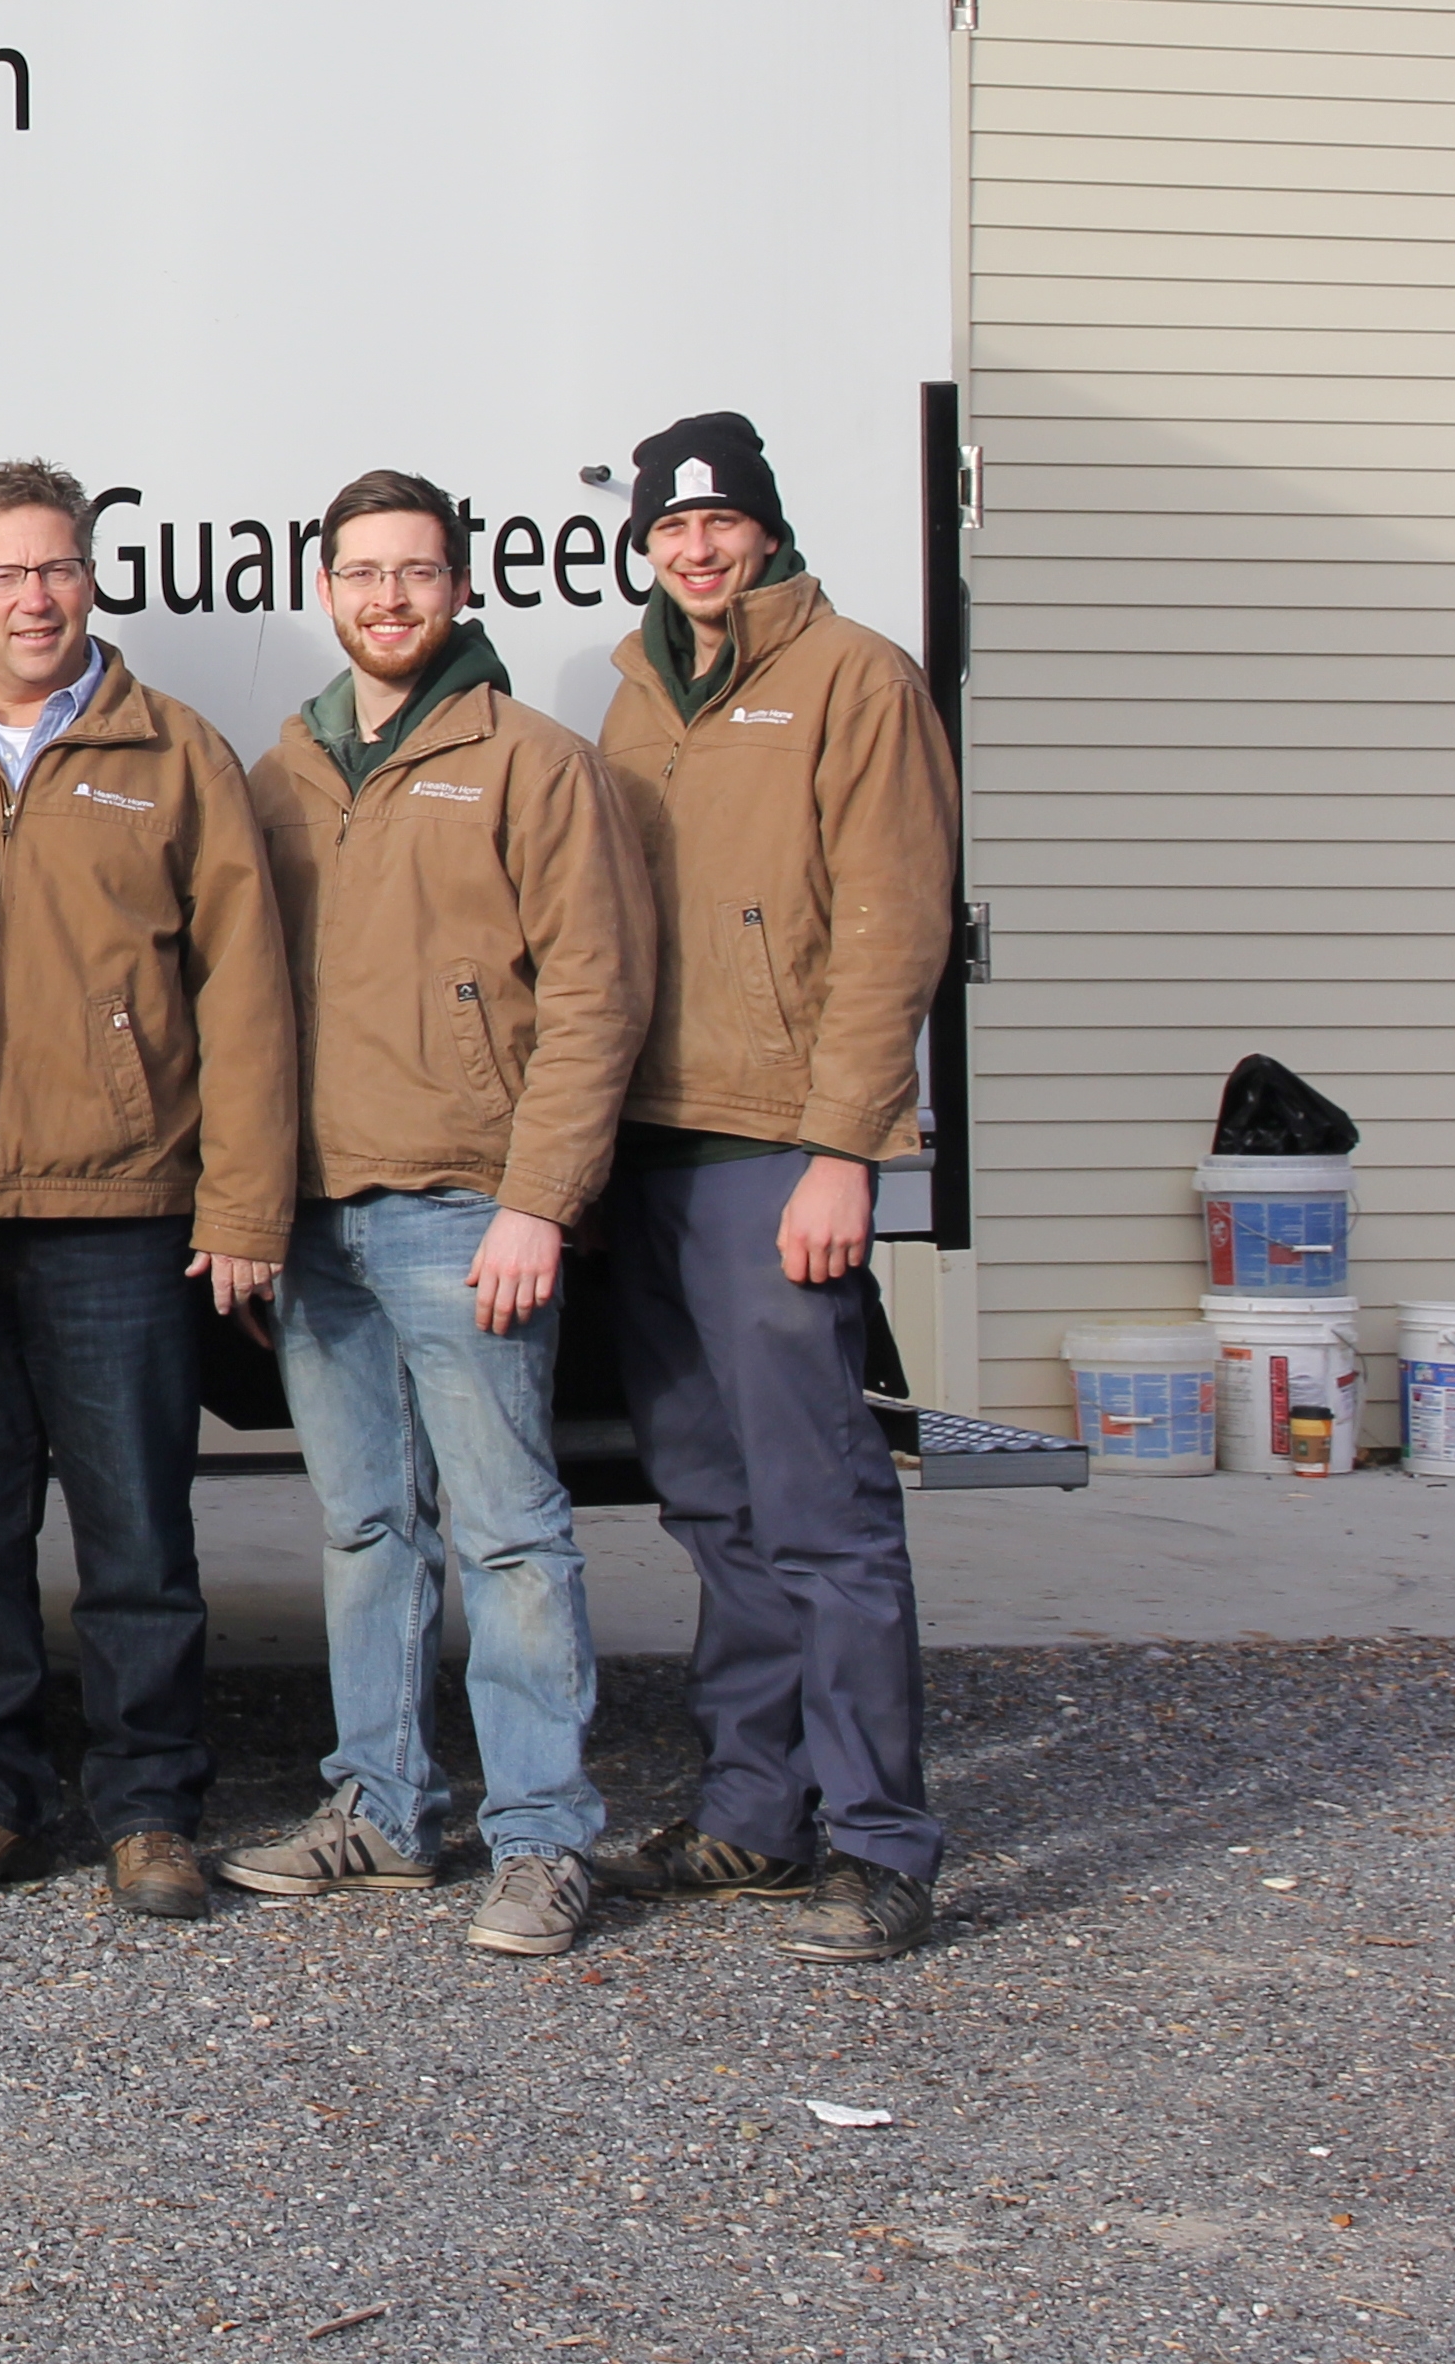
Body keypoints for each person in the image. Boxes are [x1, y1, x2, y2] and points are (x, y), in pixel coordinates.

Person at [223, 471, 652, 1958]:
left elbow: (596, 995)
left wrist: (542, 1202)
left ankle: (539, 1841)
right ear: (324, 591)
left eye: (416, 573)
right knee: (361, 1529)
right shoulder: (283, 778)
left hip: (467, 1208)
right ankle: (384, 1810)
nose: (388, 599)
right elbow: (243, 1006)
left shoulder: (532, 764)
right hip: (321, 1214)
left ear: (461, 589)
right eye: (362, 574)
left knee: (512, 1533)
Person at [0, 459, 296, 1921]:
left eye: (55, 569)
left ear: (93, 580)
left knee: (137, 1535)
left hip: (123, 1210)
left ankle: (148, 1807)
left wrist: (242, 1208)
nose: (32, 597)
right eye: (3, 573)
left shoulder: (176, 755)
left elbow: (243, 998)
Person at [584, 413, 962, 1963]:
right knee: (714, 1509)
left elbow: (892, 930)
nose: (696, 549)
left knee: (825, 1515)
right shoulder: (633, 701)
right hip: (652, 1156)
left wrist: (843, 1153)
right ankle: (753, 1813)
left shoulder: (852, 678)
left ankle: (881, 1844)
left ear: (767, 530)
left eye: (721, 523)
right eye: (672, 529)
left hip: (776, 1158)